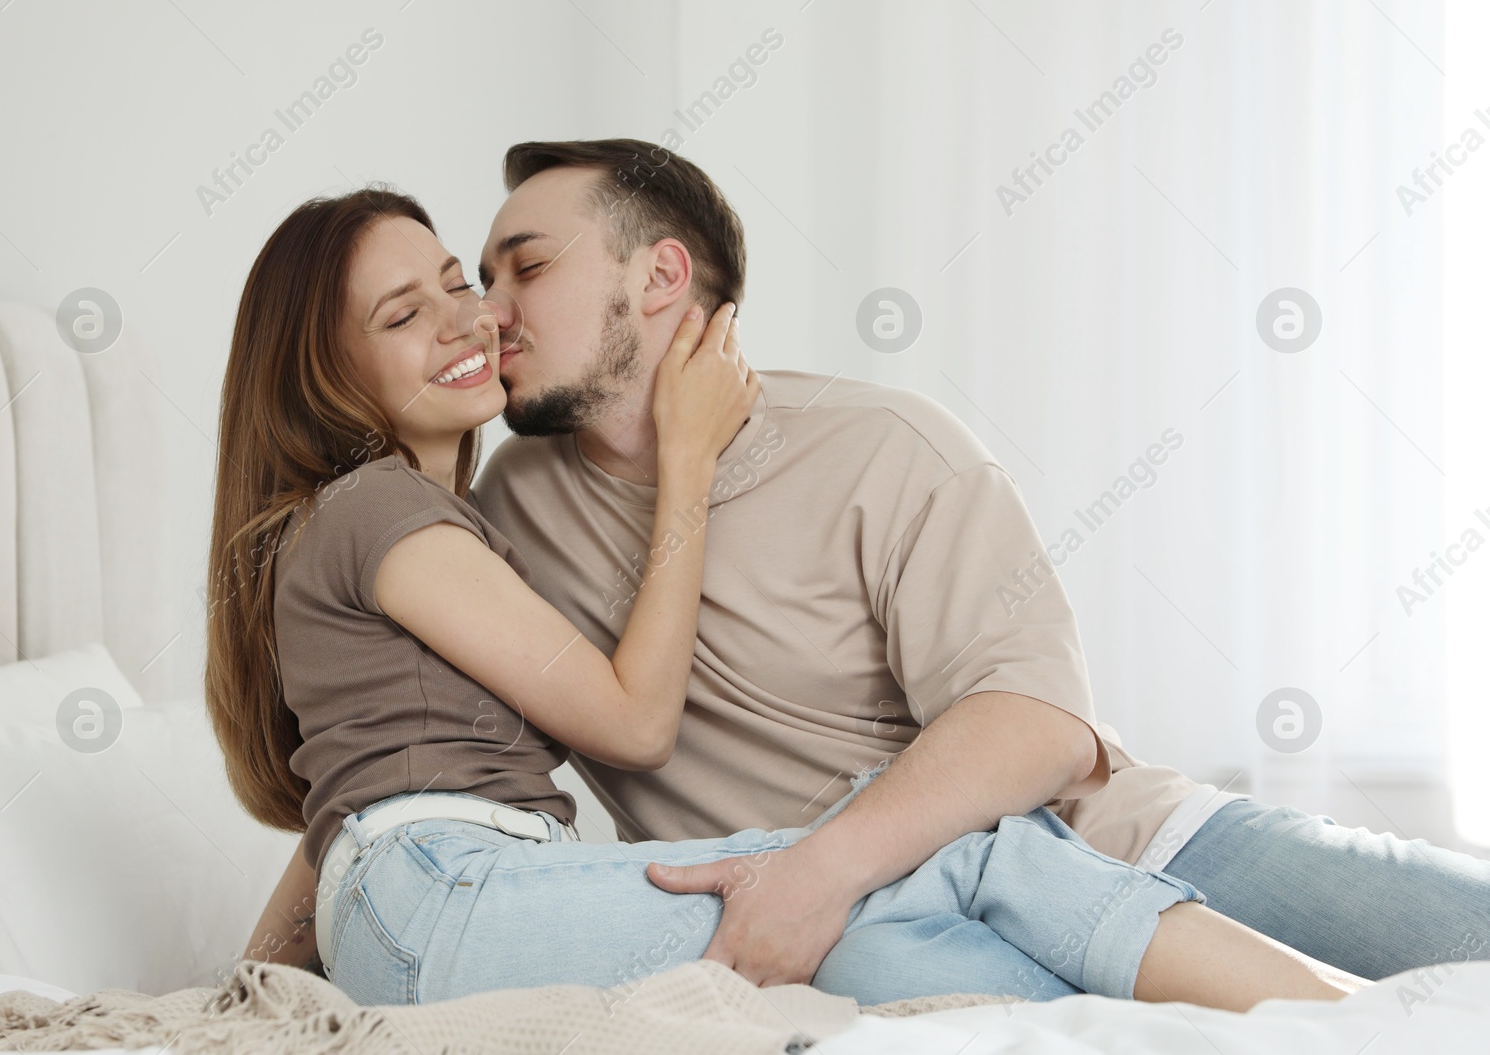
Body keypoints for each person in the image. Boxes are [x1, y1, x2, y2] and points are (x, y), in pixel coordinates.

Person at [209, 187, 1362, 1010]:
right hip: (444, 889)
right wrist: (690, 461)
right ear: (323, 367)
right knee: (962, 859)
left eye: (463, 279)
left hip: (430, 891)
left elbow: (348, 807)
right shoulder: (377, 510)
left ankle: (1173, 1026)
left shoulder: (432, 523)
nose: (475, 317)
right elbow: (629, 722)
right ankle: (1336, 1030)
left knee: (883, 933)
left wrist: (250, 984)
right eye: (403, 314)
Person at [466, 138, 1490, 1003]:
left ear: (659, 276)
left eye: (527, 266)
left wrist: (815, 872)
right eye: (483, 278)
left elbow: (1033, 722)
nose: (489, 310)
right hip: (906, 924)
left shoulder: (879, 444)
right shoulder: (507, 510)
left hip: (1124, 845)